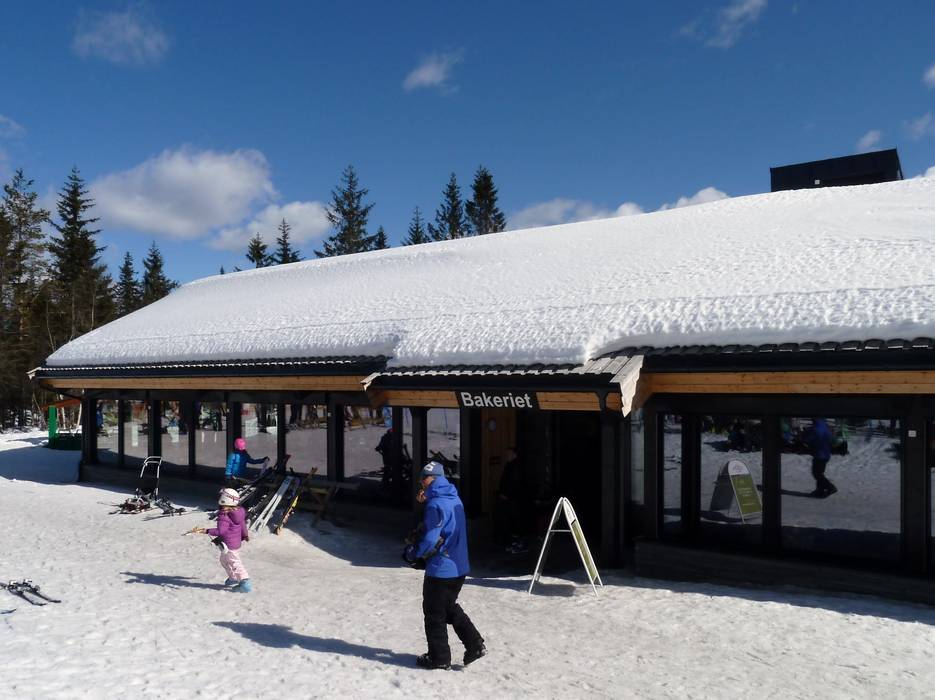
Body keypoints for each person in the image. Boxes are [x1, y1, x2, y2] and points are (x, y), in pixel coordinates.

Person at [404, 460, 485, 670]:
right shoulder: (453, 497)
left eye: (424, 479)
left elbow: (430, 538)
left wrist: (413, 553)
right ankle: (475, 644)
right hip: (459, 566)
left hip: (442, 568)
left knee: (434, 612)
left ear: (434, 479)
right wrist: (426, 500)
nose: (421, 482)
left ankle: (438, 658)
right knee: (447, 607)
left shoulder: (435, 504)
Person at [192, 488, 252, 592]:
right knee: (224, 560)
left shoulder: (224, 515)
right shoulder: (238, 511)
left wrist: (206, 531)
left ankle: (245, 583)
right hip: (234, 542)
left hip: (229, 544)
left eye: (220, 496)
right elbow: (242, 524)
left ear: (225, 499)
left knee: (235, 563)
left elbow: (220, 531)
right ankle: (233, 578)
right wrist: (245, 535)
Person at [497, 447, 528, 553]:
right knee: (512, 521)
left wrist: (507, 494)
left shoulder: (516, 467)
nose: (507, 456)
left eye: (509, 453)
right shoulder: (510, 465)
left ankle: (521, 543)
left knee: (516, 520)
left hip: (514, 499)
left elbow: (515, 483)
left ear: (515, 454)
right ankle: (515, 542)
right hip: (511, 498)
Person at [805, 418, 836, 498]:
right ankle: (819, 491)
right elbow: (830, 440)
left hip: (819, 454)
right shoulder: (825, 428)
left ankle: (830, 487)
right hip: (826, 454)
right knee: (819, 473)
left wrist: (804, 436)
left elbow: (809, 440)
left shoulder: (815, 429)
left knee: (817, 474)